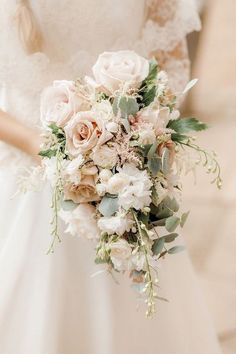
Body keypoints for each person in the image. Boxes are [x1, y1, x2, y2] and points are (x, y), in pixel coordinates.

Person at [0, 1, 222, 353]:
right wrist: (48, 147)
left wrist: (147, 133)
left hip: (128, 177)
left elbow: (170, 61)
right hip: (30, 184)